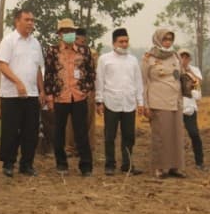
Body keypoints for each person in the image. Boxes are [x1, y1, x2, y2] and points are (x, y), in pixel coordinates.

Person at [44, 18, 96, 177]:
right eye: (65, 32)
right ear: (59, 34)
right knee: (59, 132)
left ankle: (86, 166)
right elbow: (49, 75)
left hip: (79, 97)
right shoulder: (52, 52)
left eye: (71, 31)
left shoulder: (84, 51)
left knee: (81, 132)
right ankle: (61, 164)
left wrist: (86, 90)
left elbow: (91, 73)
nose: (69, 34)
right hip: (61, 97)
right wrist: (49, 96)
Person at [0, 9, 45, 177]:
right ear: (17, 21)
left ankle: (27, 164)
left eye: (32, 20)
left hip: (31, 94)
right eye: (27, 19)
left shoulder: (35, 43)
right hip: (11, 95)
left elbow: (38, 68)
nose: (31, 23)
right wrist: (18, 83)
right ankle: (8, 164)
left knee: (30, 131)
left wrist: (42, 90)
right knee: (11, 130)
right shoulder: (8, 41)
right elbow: (2, 65)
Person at [95, 28, 145, 176]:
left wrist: (140, 102)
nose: (124, 44)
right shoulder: (105, 59)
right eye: (121, 41)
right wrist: (99, 101)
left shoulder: (133, 59)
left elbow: (138, 82)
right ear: (113, 43)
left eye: (126, 41)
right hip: (111, 101)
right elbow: (100, 81)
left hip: (129, 102)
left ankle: (127, 164)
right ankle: (110, 164)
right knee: (110, 135)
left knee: (129, 135)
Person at [141, 28, 187, 179]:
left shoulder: (175, 56)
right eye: (165, 39)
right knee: (161, 136)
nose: (168, 42)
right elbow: (144, 82)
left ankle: (175, 167)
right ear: (158, 40)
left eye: (170, 39)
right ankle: (160, 168)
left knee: (176, 135)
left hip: (176, 100)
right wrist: (145, 104)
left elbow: (180, 75)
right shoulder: (149, 57)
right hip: (158, 101)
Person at [65, 27, 98, 155]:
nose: (81, 41)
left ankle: (88, 147)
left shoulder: (92, 53)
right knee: (71, 120)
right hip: (71, 89)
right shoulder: (67, 52)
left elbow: (94, 72)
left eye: (83, 39)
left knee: (89, 119)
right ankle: (71, 147)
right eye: (78, 39)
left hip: (88, 90)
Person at [179, 48, 206, 171]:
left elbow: (198, 82)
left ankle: (199, 162)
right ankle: (175, 163)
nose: (184, 59)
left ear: (189, 59)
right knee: (174, 136)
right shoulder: (174, 70)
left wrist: (188, 71)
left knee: (194, 133)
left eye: (186, 57)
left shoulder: (194, 70)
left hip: (189, 107)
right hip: (175, 107)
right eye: (182, 57)